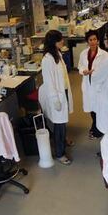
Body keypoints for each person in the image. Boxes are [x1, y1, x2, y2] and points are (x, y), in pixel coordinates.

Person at [38, 30, 74, 165]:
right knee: (59, 124)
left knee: (63, 122)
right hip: (56, 96)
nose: (63, 42)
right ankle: (60, 153)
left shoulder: (57, 53)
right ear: (54, 42)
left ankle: (63, 140)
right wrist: (55, 100)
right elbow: (49, 82)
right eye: (60, 40)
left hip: (63, 91)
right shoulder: (47, 59)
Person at [78, 30, 108, 139]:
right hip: (88, 84)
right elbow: (80, 66)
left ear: (98, 41)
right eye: (90, 40)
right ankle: (95, 127)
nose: (93, 42)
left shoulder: (104, 54)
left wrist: (95, 72)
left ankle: (97, 130)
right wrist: (83, 71)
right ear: (87, 41)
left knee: (99, 109)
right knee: (91, 108)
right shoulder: (83, 53)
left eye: (95, 39)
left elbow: (106, 70)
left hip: (99, 86)